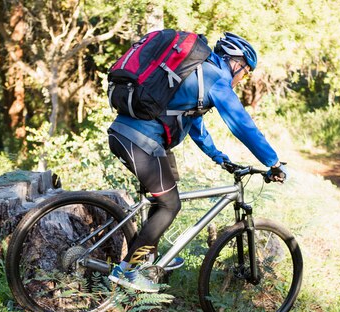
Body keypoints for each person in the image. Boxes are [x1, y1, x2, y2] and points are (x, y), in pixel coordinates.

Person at [107, 32, 288, 293]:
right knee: (170, 205)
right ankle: (130, 271)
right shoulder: (217, 79)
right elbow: (243, 125)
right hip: (140, 142)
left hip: (130, 136)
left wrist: (219, 157)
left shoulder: (199, 74)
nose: (242, 79)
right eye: (245, 72)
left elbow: (195, 125)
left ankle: (148, 260)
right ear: (235, 63)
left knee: (166, 193)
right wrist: (273, 162)